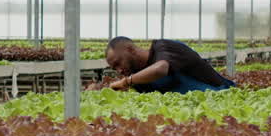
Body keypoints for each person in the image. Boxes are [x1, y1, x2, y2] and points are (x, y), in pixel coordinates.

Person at [91, 36, 235, 94]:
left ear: (130, 50)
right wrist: (99, 89)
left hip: (222, 96)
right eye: (114, 68)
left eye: (118, 63)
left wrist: (127, 81)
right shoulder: (138, 78)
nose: (119, 70)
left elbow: (160, 69)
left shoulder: (164, 47)